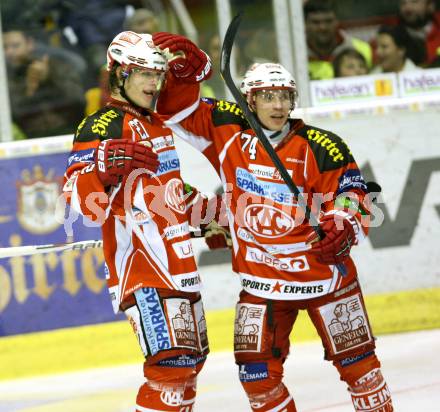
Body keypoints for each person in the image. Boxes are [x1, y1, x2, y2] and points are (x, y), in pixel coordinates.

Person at [153, 31, 394, 411]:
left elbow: (357, 194)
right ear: (250, 99)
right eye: (267, 96)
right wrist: (183, 74)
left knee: (361, 371)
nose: (278, 105)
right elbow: (173, 109)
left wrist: (344, 222)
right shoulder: (229, 130)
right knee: (258, 379)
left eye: (284, 96)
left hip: (324, 277)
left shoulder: (321, 144)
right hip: (262, 281)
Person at [63, 30, 215, 411]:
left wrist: (212, 218)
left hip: (178, 264)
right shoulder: (102, 124)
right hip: (143, 270)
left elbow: (167, 193)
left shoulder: (156, 125)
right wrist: (101, 167)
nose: (153, 83)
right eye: (143, 73)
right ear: (118, 74)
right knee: (171, 369)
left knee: (190, 366)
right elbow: (77, 199)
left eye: (157, 74)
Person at [3, 28, 86, 139]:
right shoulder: (4, 78)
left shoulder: (56, 66)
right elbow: (11, 117)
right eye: (4, 47)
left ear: (30, 44)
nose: (9, 52)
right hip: (28, 139)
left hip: (69, 133)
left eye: (15, 46)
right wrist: (30, 87)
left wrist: (50, 77)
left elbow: (79, 102)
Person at [304, 0, 372, 80]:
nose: (323, 27)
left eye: (328, 21)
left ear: (337, 21)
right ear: (304, 24)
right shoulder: (295, 56)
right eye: (316, 22)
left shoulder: (362, 49)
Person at [397, 0, 440, 65]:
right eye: (403, 3)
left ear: (431, 5)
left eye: (414, 2)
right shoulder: (392, 37)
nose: (408, 8)